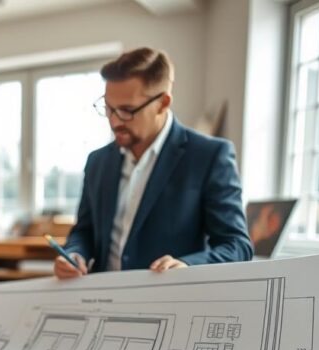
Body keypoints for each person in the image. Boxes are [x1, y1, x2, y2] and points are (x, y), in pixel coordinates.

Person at [54, 47, 253, 279]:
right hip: (100, 296)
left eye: (127, 110)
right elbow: (84, 231)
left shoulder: (210, 156)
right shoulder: (97, 161)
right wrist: (74, 254)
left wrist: (187, 266)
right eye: (108, 108)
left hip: (170, 297)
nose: (114, 121)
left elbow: (237, 245)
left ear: (163, 103)